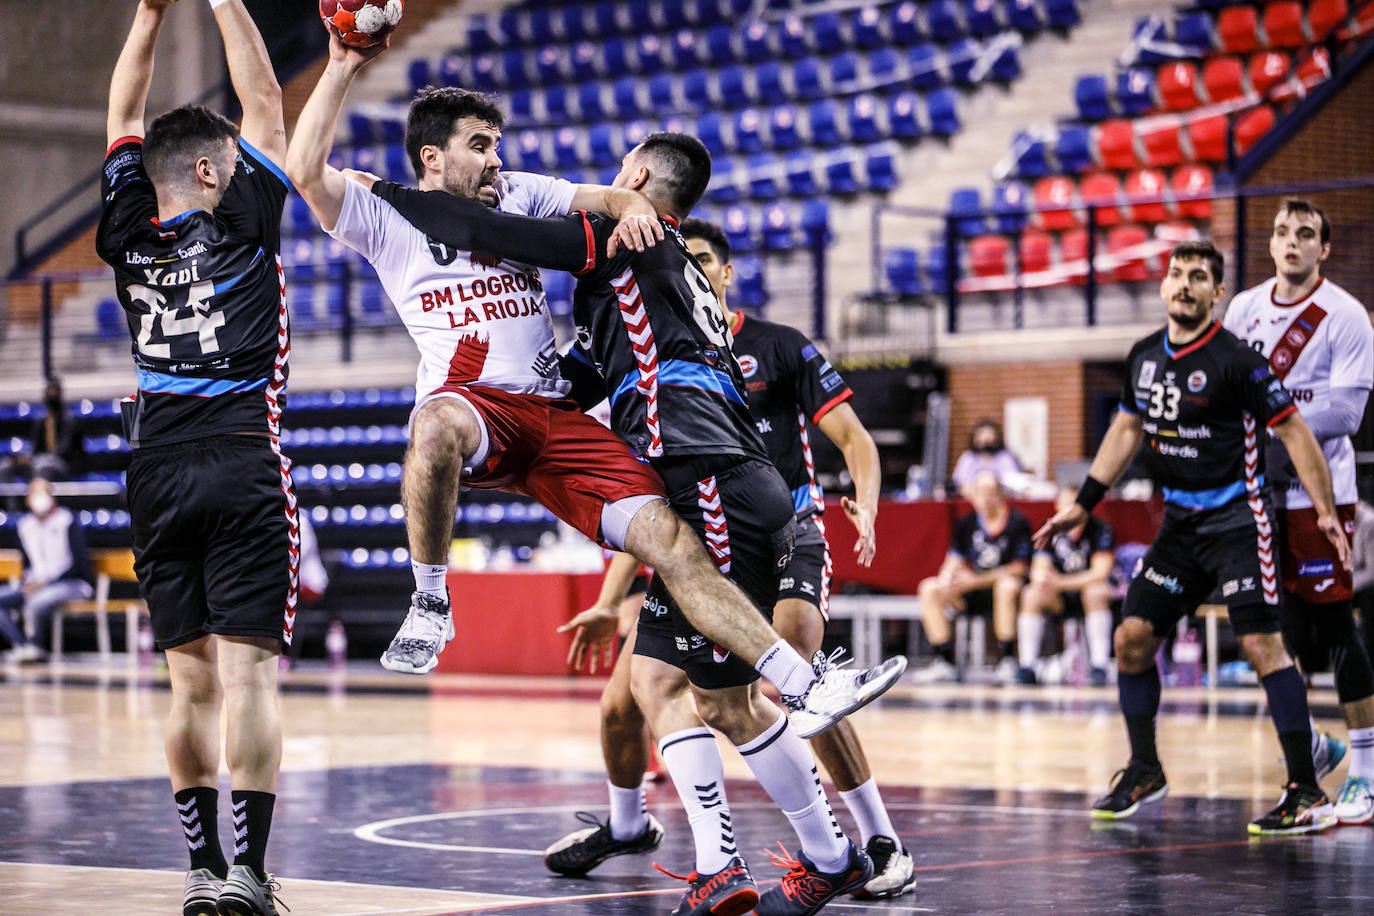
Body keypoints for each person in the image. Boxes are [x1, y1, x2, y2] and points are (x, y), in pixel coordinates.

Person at [286, 43, 905, 915]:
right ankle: (434, 600)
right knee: (657, 681)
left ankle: (831, 835)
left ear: (648, 184)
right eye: (479, 142)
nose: (498, 157)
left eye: (499, 142)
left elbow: (502, 231)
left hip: (698, 467)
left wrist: (612, 202)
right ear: (434, 153)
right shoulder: (647, 262)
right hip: (544, 421)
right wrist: (348, 72)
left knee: (700, 684)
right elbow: (596, 363)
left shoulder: (604, 236)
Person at [541, 219, 914, 900]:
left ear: (725, 273)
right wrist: (606, 598)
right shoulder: (647, 339)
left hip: (781, 524)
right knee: (631, 695)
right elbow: (648, 507)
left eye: (707, 260)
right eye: (689, 260)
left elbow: (854, 439)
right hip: (694, 533)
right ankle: (643, 830)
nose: (696, 270)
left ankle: (875, 837)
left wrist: (867, 501)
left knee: (784, 672)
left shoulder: (775, 346)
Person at [1036, 240, 1351, 835]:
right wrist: (1084, 503)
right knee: (1131, 638)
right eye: (1176, 274)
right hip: (1180, 525)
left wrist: (1325, 509)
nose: (1184, 284)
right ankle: (1145, 768)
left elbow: (1296, 432)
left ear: (1217, 293)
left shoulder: (1240, 361)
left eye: (1198, 277)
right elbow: (1127, 428)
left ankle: (1305, 790)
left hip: (1239, 518)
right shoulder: (1143, 356)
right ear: (1164, 286)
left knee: (1261, 646)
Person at [96, 2, 296, 913]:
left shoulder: (127, 234)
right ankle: (249, 876)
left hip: (157, 468)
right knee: (250, 674)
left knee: (190, 685)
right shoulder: (247, 221)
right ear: (213, 170)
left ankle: (202, 871)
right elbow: (264, 99)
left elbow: (121, 117)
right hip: (242, 454)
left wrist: (147, 16)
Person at [1221, 199, 1374, 826]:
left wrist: (1275, 425)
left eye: (1305, 235)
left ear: (1324, 249)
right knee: (1263, 631)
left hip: (1318, 495)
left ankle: (1365, 775)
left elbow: (1347, 414)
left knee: (1336, 629)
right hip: (1254, 493)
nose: (1291, 243)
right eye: (1282, 233)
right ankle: (1309, 754)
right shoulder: (1243, 309)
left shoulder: (1345, 315)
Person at [913, 471, 1032, 684]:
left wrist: (976, 580)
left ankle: (1007, 660)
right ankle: (944, 661)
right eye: (980, 492)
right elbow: (954, 558)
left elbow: (1019, 568)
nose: (985, 498)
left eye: (990, 492)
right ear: (973, 496)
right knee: (929, 588)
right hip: (972, 590)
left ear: (1000, 495)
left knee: (1007, 586)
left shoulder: (1017, 522)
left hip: (1005, 591)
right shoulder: (966, 523)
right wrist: (947, 576)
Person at [1016, 484, 1115, 686]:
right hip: (1059, 597)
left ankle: (1099, 667)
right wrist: (1054, 582)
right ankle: (1027, 667)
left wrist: (1061, 581)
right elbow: (1039, 573)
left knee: (1094, 591)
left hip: (1089, 596)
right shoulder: (1048, 529)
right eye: (1066, 505)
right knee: (1031, 594)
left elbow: (1100, 573)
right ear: (1057, 505)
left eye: (1075, 506)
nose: (1070, 511)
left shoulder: (1100, 528)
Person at [0, 478, 94, 664]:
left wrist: (46, 583)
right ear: (28, 499)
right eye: (34, 493)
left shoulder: (67, 520)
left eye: (43, 492)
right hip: (35, 583)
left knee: (36, 602)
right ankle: (21, 645)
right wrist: (29, 582)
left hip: (71, 583)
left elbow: (78, 565)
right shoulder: (25, 525)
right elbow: (28, 564)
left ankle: (37, 646)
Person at [951, 419, 1021, 493]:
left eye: (990, 434)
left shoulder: (1005, 458)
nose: (986, 438)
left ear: (997, 438)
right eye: (982, 434)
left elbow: (1013, 484)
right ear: (975, 438)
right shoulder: (968, 458)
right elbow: (959, 483)